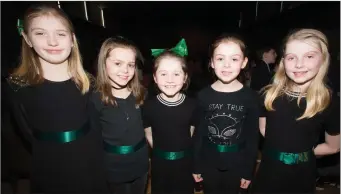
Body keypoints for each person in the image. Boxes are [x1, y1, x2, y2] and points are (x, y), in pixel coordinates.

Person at [4, 4, 107, 193]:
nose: (52, 42)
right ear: (27, 39)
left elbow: (95, 125)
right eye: (40, 33)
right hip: (49, 169)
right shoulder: (17, 87)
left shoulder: (86, 82)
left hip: (90, 165)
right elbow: (26, 132)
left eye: (60, 34)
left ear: (72, 39)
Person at [251, 29, 340, 193]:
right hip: (268, 171)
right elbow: (264, 129)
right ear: (283, 62)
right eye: (292, 57)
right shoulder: (268, 94)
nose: (299, 64)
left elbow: (334, 147)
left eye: (309, 56)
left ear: (323, 59)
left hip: (303, 174)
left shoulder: (329, 101)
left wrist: (302, 152)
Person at [192, 34, 260, 194]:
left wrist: (248, 171)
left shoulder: (251, 97)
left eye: (234, 59)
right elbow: (198, 134)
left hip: (237, 164)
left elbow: (252, 137)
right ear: (212, 63)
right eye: (220, 58)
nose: (227, 65)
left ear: (244, 62)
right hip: (208, 163)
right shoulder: (203, 95)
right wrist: (196, 166)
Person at [90, 36, 149, 194]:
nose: (125, 70)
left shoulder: (142, 94)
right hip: (112, 167)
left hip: (141, 163)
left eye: (131, 65)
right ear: (104, 63)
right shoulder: (95, 99)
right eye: (118, 63)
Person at [142, 39, 196, 194]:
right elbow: (149, 133)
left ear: (185, 77)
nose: (170, 79)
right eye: (163, 74)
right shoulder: (148, 106)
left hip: (185, 164)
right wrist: (165, 152)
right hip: (160, 165)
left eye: (176, 74)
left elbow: (190, 132)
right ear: (155, 77)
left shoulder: (193, 105)